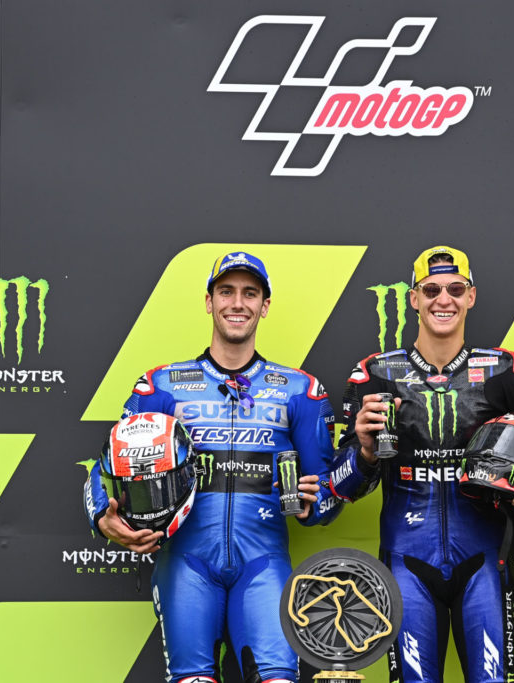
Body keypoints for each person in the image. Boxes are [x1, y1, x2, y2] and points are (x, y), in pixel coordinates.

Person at [327, 245, 514, 683]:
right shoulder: (374, 373)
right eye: (431, 290)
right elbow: (344, 483)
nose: (442, 299)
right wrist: (366, 452)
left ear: (471, 296)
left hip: (484, 560)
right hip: (405, 562)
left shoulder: (506, 369)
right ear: (413, 299)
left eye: (455, 288)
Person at [83, 251, 341, 683]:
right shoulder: (161, 385)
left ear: (265, 305)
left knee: (278, 678)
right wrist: (101, 516)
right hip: (186, 562)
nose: (237, 303)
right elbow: (105, 465)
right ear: (209, 302)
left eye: (249, 293)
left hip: (264, 563)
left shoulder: (300, 390)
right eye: (226, 292)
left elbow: (327, 501)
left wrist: (318, 503)